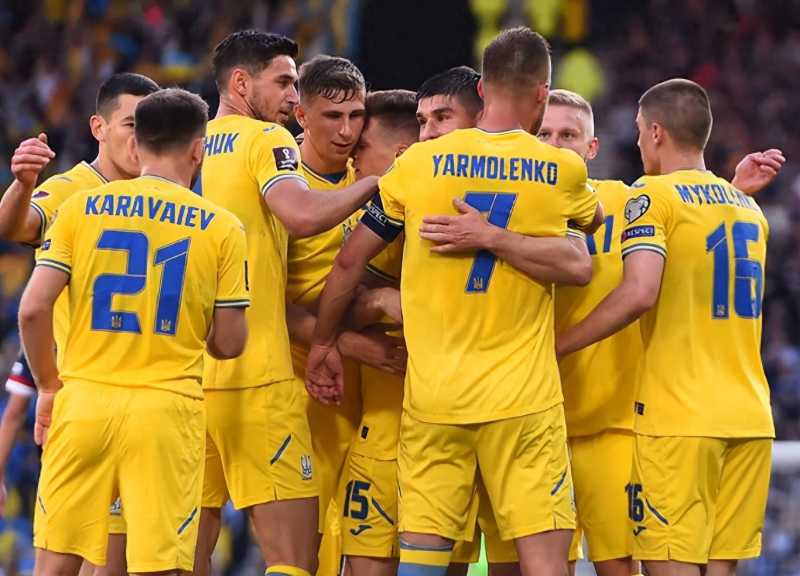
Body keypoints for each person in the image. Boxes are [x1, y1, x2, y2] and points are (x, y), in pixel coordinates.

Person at [418, 87, 784, 576]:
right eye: (545, 134)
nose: (555, 145)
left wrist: (730, 191)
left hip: (614, 431)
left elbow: (686, 221)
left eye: (568, 135)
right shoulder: (493, 209)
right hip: (521, 422)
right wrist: (733, 194)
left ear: (592, 148)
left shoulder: (626, 201)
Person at [307, 27, 602, 576]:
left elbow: (348, 262)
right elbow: (589, 233)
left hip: (434, 400)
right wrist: (503, 236)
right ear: (543, 93)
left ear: (482, 90)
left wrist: (324, 342)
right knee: (543, 562)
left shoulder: (418, 165)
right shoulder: (561, 169)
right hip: (524, 403)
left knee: (423, 561)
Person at [19, 87, 249, 576]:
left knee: (54, 563)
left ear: (137, 144)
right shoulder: (222, 227)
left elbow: (33, 310)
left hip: (83, 401)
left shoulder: (80, 208)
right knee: (159, 566)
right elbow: (230, 344)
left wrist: (49, 386)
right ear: (198, 149)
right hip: (166, 412)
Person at [556, 78, 774, 576]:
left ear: (656, 133)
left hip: (680, 418)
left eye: (638, 131)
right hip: (750, 417)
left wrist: (559, 344)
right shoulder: (748, 207)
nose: (637, 143)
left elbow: (639, 292)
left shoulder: (650, 195)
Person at [194, 30, 379, 576]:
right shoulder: (266, 139)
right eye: (283, 82)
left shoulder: (189, 143)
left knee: (181, 557)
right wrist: (377, 183)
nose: (292, 96)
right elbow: (301, 214)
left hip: (189, 378)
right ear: (241, 83)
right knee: (294, 561)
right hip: (257, 374)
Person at [0, 72, 160, 575]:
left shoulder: (165, 197)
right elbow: (16, 225)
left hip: (146, 409)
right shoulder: (70, 188)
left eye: (150, 126)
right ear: (98, 127)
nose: (141, 138)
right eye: (131, 124)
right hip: (83, 403)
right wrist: (23, 184)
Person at [337, 88, 417, 576]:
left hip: (437, 429)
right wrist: (374, 306)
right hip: (373, 428)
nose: (351, 156)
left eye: (362, 147)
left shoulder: (444, 215)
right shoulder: (352, 211)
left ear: (400, 155)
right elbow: (305, 300)